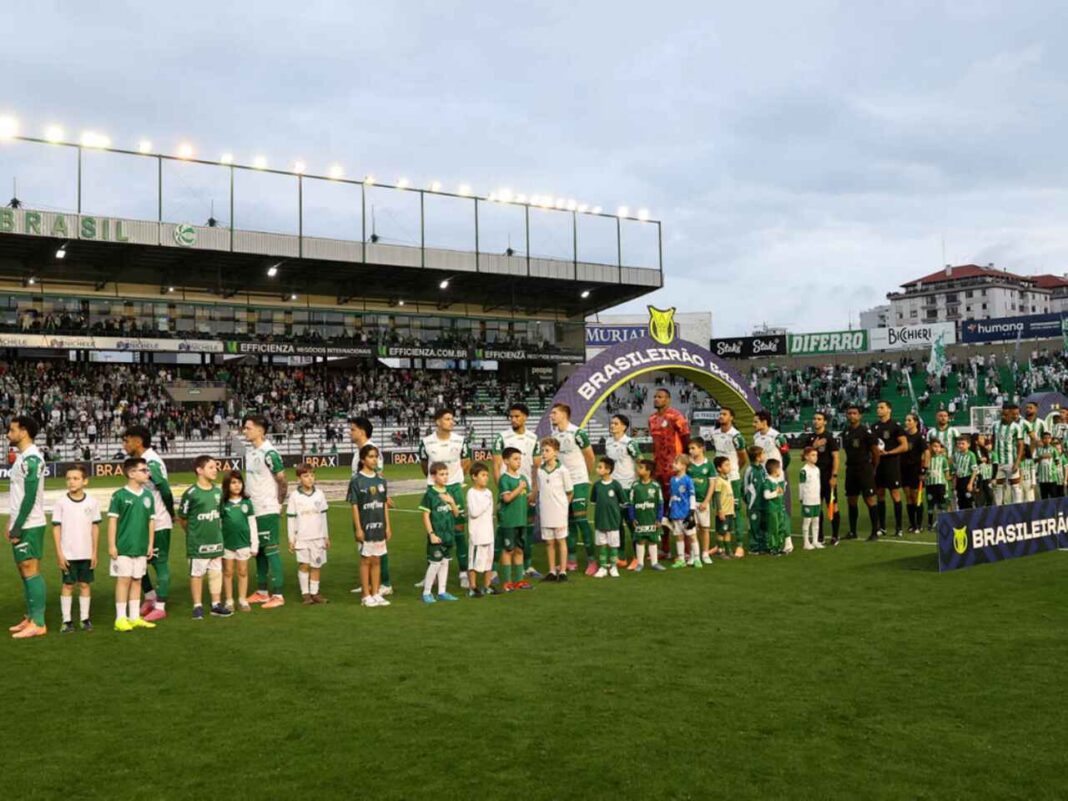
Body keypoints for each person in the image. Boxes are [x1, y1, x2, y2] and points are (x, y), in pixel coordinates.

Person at [122, 425, 174, 622]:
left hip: (158, 521)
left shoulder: (151, 462)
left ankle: (160, 606)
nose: (124, 444)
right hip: (142, 522)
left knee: (159, 564)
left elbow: (166, 490)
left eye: (127, 440)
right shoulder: (140, 462)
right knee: (138, 561)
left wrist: (170, 513)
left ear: (138, 441)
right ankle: (150, 596)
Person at [418, 409, 471, 587]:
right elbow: (425, 466)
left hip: (454, 489)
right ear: (438, 422)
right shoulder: (426, 442)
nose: (452, 422)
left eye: (452, 419)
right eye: (447, 419)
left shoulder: (460, 440)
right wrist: (436, 483)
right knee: (433, 530)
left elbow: (466, 461)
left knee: (458, 531)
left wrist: (454, 478)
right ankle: (430, 574)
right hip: (434, 490)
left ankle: (464, 572)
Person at [7, 415, 48, 639]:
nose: (8, 434)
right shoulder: (22, 458)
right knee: (24, 570)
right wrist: (11, 522)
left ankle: (39, 623)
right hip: (21, 522)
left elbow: (30, 497)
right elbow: (18, 495)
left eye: (12, 430)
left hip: (30, 523)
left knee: (30, 568)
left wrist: (18, 526)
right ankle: (31, 617)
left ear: (24, 432)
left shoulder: (32, 459)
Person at [491, 403, 541, 579]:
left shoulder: (533, 438)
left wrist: (534, 490)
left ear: (525, 417)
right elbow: (496, 466)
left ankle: (527, 567)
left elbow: (536, 467)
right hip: (509, 493)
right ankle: (495, 569)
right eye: (511, 416)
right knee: (503, 532)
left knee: (526, 531)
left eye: (517, 416)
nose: (513, 419)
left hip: (526, 493)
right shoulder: (501, 438)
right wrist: (503, 492)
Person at [177, 455, 230, 619]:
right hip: (197, 543)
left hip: (216, 540)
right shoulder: (191, 493)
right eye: (211, 467)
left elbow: (219, 514)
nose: (215, 470)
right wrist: (193, 533)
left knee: (216, 573)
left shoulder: (218, 491)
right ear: (200, 470)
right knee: (197, 573)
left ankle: (216, 605)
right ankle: (197, 606)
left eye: (216, 467)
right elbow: (183, 518)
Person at [243, 415, 288, 609]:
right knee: (259, 550)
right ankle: (262, 592)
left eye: (248, 428)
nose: (244, 431)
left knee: (271, 550)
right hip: (254, 509)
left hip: (267, 509)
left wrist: (278, 503)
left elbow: (282, 480)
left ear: (261, 430)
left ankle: (278, 594)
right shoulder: (251, 452)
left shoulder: (269, 453)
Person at [108, 457, 157, 632]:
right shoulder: (119, 495)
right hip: (123, 547)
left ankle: (134, 617)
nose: (147, 473)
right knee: (123, 581)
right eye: (144, 470)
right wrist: (112, 545)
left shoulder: (148, 496)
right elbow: (113, 521)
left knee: (137, 580)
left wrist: (150, 543)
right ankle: (120, 618)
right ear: (131, 473)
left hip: (141, 547)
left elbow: (151, 521)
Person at [52, 464, 100, 633]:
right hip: (68, 553)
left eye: (75, 478)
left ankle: (85, 619)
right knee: (68, 585)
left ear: (85, 481)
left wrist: (94, 552)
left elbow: (95, 528)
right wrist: (59, 553)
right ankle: (67, 621)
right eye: (68, 479)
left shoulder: (92, 502)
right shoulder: (61, 502)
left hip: (86, 553)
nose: (71, 482)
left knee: (85, 585)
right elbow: (56, 528)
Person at [549, 403, 596, 574]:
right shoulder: (554, 434)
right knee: (567, 522)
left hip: (579, 482)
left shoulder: (578, 433)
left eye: (554, 413)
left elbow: (590, 456)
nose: (551, 416)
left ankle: (592, 560)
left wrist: (585, 477)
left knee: (582, 521)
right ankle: (572, 559)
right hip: (563, 484)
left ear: (564, 415)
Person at [349, 416, 393, 596]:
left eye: (352, 429)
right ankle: (367, 583)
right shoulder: (358, 452)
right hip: (362, 504)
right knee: (365, 546)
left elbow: (378, 475)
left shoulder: (372, 450)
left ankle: (384, 583)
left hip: (371, 504)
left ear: (362, 431)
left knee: (376, 542)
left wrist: (384, 497)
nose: (350, 433)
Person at [287, 463, 330, 605]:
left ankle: (315, 593)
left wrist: (326, 536)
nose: (310, 478)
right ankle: (305, 594)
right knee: (304, 565)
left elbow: (323, 516)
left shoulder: (320, 494)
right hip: (302, 538)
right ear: (299, 478)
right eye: (306, 476)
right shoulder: (294, 496)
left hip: (317, 537)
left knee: (316, 566)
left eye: (312, 475)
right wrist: (291, 539)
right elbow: (291, 518)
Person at [420, 462, 461, 603]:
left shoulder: (448, 492)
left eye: (446, 474)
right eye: (441, 474)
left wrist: (452, 502)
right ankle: (426, 592)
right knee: (435, 563)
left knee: (445, 563)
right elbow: (425, 515)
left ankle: (442, 591)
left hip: (448, 535)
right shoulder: (430, 494)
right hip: (437, 535)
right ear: (433, 476)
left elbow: (456, 514)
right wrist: (431, 534)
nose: (445, 477)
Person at [709, 407, 748, 555]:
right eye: (720, 414)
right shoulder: (715, 434)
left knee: (735, 512)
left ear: (731, 417)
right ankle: (719, 545)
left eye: (724, 414)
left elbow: (743, 457)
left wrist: (734, 470)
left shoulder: (736, 436)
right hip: (718, 479)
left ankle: (739, 545)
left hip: (732, 479)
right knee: (719, 510)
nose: (721, 416)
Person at [605, 413, 641, 568]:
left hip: (628, 487)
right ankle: (621, 556)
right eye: (611, 423)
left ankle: (637, 557)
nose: (612, 426)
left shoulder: (630, 443)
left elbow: (640, 461)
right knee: (616, 523)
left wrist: (640, 482)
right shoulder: (608, 442)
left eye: (616, 423)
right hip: (614, 487)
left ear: (624, 427)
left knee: (631, 522)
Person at [841, 404, 881, 541]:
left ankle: (875, 532)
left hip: (864, 469)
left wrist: (873, 468)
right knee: (851, 500)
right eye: (849, 413)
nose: (852, 415)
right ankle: (853, 532)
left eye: (854, 413)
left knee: (869, 499)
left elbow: (876, 452)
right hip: (851, 469)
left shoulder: (865, 431)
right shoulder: (845, 432)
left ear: (860, 416)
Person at [220, 470, 258, 612]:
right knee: (228, 572)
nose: (237, 486)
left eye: (239, 482)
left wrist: (255, 544)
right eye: (233, 483)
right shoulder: (223, 504)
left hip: (243, 543)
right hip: (227, 543)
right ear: (227, 485)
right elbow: (219, 524)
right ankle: (229, 600)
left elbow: (252, 524)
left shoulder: (247, 502)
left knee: (243, 571)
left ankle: (242, 599)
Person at [801, 411, 841, 546]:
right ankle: (820, 536)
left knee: (832, 505)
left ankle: (835, 536)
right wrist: (814, 446)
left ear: (824, 422)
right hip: (813, 480)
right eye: (814, 418)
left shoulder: (829, 438)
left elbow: (836, 457)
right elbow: (803, 457)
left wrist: (834, 476)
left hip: (827, 477)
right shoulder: (810, 438)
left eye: (819, 419)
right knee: (817, 507)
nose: (816, 421)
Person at [537, 437, 573, 582]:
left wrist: (564, 507)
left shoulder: (562, 470)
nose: (544, 453)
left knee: (561, 540)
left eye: (547, 450)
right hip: (546, 511)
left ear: (556, 453)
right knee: (549, 542)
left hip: (559, 511)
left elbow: (570, 491)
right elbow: (540, 490)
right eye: (542, 451)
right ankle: (552, 571)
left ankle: (563, 571)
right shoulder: (540, 471)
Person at [870, 400, 907, 537]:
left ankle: (899, 528)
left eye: (881, 407)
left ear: (889, 410)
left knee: (895, 494)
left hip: (891, 464)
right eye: (878, 407)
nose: (878, 410)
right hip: (878, 465)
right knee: (879, 494)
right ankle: (882, 527)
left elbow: (904, 446)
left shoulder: (896, 426)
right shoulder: (874, 427)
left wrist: (889, 452)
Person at [496, 447, 531, 591]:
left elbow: (527, 497)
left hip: (521, 520)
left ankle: (519, 580)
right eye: (515, 459)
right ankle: (507, 581)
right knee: (508, 550)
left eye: (519, 459)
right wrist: (519, 488)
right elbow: (507, 498)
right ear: (506, 461)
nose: (518, 462)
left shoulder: (523, 478)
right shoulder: (504, 479)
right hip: (509, 522)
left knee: (519, 550)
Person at [590, 457, 626, 578]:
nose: (597, 469)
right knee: (602, 545)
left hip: (613, 521)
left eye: (600, 467)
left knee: (613, 545)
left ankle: (614, 567)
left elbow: (623, 501)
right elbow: (593, 501)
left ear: (608, 470)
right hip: (600, 521)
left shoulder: (616, 485)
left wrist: (615, 513)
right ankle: (603, 567)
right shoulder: (596, 486)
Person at [465, 463, 497, 597]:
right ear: (474, 477)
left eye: (487, 475)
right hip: (477, 534)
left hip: (488, 532)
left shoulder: (488, 493)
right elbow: (473, 512)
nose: (486, 478)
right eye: (483, 475)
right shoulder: (471, 493)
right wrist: (485, 503)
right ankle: (473, 587)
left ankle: (487, 585)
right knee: (474, 561)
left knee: (489, 560)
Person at [629, 459, 665, 571]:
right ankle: (640, 563)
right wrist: (632, 518)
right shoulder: (635, 486)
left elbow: (660, 503)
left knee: (652, 539)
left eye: (641, 468)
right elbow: (631, 503)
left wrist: (659, 518)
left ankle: (654, 563)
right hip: (640, 518)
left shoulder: (655, 486)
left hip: (652, 518)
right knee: (640, 540)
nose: (638, 469)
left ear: (648, 471)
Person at [686, 438, 716, 564]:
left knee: (704, 528)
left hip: (703, 503)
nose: (690, 451)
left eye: (693, 448)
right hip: (690, 503)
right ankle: (693, 554)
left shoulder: (708, 464)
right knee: (692, 529)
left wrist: (706, 501)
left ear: (701, 448)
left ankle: (705, 553)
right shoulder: (688, 465)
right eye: (689, 449)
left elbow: (712, 484)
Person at [667, 454, 698, 569]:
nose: (673, 465)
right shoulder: (672, 480)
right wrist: (669, 509)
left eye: (676, 463)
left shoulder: (688, 480)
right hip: (675, 513)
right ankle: (681, 559)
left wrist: (691, 511)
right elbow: (672, 495)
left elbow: (692, 496)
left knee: (692, 536)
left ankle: (697, 558)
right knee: (678, 536)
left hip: (685, 513)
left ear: (684, 466)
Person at [990, 404, 1025, 505]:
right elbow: (993, 440)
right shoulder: (995, 425)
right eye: (1002, 414)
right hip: (998, 462)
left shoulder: (1016, 427)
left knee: (1015, 486)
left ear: (1011, 415)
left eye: (1006, 415)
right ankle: (998, 508)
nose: (1004, 417)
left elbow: (1020, 445)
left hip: (1011, 461)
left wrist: (1017, 462)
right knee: (998, 486)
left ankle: (1018, 507)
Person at [900, 413, 928, 534]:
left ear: (916, 422)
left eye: (909, 420)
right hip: (904, 469)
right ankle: (912, 524)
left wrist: (924, 470)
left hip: (915, 470)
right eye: (906, 420)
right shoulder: (904, 436)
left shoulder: (919, 437)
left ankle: (919, 524)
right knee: (908, 497)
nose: (907, 422)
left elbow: (927, 453)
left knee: (916, 496)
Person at [927, 410, 961, 511]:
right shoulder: (931, 432)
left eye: (945, 416)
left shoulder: (954, 431)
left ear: (948, 418)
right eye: (940, 415)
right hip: (937, 467)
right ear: (936, 417)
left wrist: (952, 457)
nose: (943, 418)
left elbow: (959, 446)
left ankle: (955, 513)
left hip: (952, 464)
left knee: (954, 490)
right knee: (939, 492)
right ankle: (941, 517)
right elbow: (928, 449)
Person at [742, 445, 767, 554]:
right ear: (757, 457)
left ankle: (763, 546)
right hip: (754, 505)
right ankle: (754, 547)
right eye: (763, 454)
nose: (764, 456)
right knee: (754, 526)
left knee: (763, 525)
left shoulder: (762, 469)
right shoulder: (750, 471)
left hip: (764, 503)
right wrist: (748, 501)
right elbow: (744, 487)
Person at [798, 448, 823, 550]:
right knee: (807, 520)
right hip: (808, 499)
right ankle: (806, 542)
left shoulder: (817, 469)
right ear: (806, 457)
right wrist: (801, 497)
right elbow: (801, 485)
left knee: (816, 519)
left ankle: (815, 541)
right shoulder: (804, 470)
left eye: (816, 455)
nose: (815, 457)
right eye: (813, 455)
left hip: (816, 498)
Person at [710, 456, 735, 558]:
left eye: (729, 464)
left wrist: (733, 510)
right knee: (721, 532)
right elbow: (717, 496)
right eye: (726, 465)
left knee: (728, 531)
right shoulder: (718, 481)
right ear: (719, 468)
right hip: (723, 511)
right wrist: (720, 510)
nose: (729, 467)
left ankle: (728, 550)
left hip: (730, 511)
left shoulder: (727, 479)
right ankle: (720, 551)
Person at [763, 459, 788, 555]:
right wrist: (776, 493)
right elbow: (766, 495)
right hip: (772, 510)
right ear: (775, 470)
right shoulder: (768, 482)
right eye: (779, 468)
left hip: (778, 509)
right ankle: (772, 548)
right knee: (774, 529)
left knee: (780, 528)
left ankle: (778, 546)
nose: (781, 471)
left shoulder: (776, 481)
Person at [924, 439, 951, 529]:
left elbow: (946, 473)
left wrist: (947, 483)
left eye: (938, 447)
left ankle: (942, 523)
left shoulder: (943, 459)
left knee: (942, 504)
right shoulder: (927, 458)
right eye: (934, 446)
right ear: (930, 447)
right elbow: (924, 470)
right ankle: (930, 523)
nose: (936, 448)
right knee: (930, 504)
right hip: (930, 484)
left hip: (940, 484)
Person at [951, 437, 979, 510]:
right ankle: (962, 518)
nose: (960, 445)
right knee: (960, 500)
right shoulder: (956, 455)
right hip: (959, 480)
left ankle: (970, 517)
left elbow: (975, 470)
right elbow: (954, 469)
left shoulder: (971, 455)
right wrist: (954, 481)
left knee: (968, 499)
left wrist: (970, 483)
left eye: (963, 444)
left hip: (967, 479)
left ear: (968, 445)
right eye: (959, 444)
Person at [1035, 431, 1058, 499]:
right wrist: (1041, 457)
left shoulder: (1053, 449)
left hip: (1052, 478)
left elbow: (1057, 462)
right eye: (1045, 438)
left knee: (1054, 497)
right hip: (1042, 478)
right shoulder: (1039, 450)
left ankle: (1055, 509)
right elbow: (1035, 461)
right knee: (1044, 498)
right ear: (1042, 439)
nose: (1047, 440)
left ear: (1050, 439)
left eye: (1048, 438)